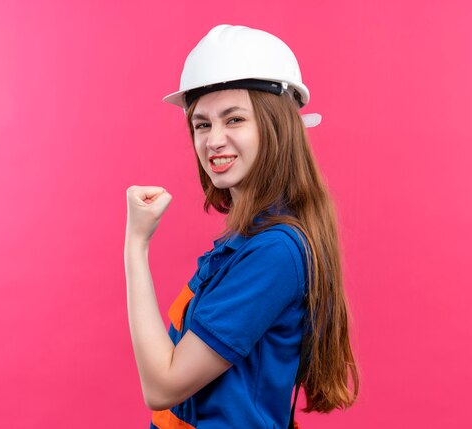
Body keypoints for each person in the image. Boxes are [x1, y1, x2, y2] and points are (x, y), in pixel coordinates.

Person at [124, 24, 359, 429]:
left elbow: (162, 386)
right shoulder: (247, 242)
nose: (213, 140)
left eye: (233, 119)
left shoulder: (274, 252)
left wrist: (135, 245)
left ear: (277, 128)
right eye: (201, 124)